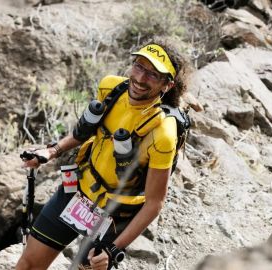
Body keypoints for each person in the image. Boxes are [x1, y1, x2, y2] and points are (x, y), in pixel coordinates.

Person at [16, 37, 192, 270]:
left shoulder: (163, 134)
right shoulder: (111, 88)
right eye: (139, 66)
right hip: (77, 192)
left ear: (167, 85)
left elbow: (154, 203)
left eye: (153, 75)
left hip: (116, 214)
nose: (140, 78)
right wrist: (52, 151)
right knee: (27, 265)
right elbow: (85, 131)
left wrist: (113, 249)